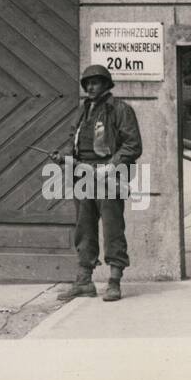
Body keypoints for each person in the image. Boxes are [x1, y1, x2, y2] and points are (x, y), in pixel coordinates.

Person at [56, 64, 143, 303]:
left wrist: (111, 166)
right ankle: (84, 281)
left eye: (96, 82)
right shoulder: (82, 111)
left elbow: (132, 145)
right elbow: (72, 140)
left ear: (106, 84)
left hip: (109, 176)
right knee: (84, 229)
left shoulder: (120, 110)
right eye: (88, 83)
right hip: (82, 175)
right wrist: (63, 156)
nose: (91, 87)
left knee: (113, 229)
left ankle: (114, 282)